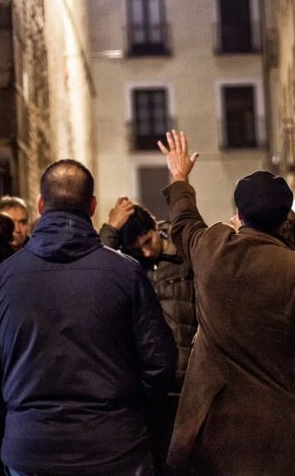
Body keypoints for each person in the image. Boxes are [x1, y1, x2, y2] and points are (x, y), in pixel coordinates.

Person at [0, 159, 177, 476]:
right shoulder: (125, 273)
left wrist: (18, 416)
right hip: (114, 445)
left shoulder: (1, 278)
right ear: (92, 206)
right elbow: (159, 361)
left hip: (31, 447)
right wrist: (129, 411)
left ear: (40, 205)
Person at [158, 130, 295, 475]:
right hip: (278, 425)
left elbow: (184, 221)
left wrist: (180, 177)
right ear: (285, 217)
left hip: (212, 424)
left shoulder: (213, 248)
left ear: (238, 213)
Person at [100, 198, 197, 473]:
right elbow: (97, 269)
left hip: (186, 381)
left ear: (156, 227)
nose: (145, 251)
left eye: (148, 241)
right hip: (146, 385)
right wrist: (110, 229)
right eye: (137, 248)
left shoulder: (182, 254)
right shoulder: (128, 264)